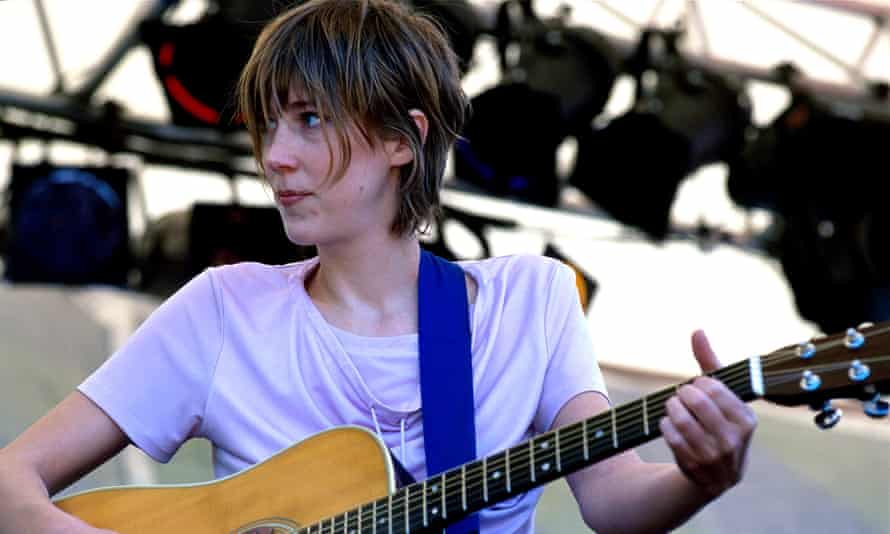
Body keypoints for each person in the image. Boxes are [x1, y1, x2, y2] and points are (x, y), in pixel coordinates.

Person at [0, 0, 757, 532]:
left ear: (404, 138)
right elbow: (10, 481)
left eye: (310, 119)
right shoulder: (224, 311)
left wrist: (700, 475)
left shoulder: (531, 302)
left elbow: (615, 498)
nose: (275, 156)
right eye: (269, 124)